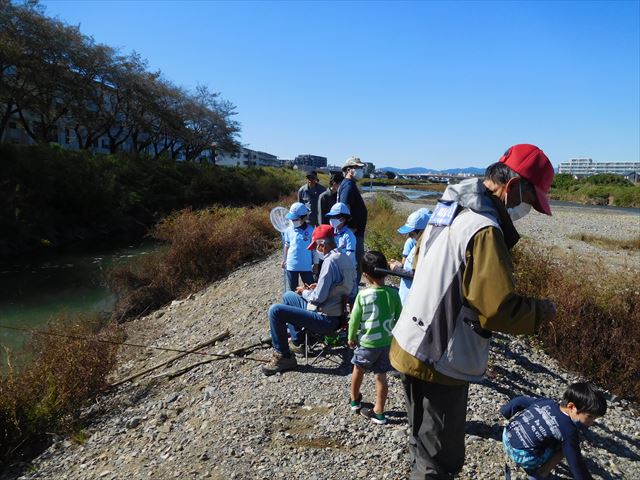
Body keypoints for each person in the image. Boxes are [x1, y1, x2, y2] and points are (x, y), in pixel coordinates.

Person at [390, 144, 558, 479]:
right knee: (440, 458)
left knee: (419, 439)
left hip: (408, 341)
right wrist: (542, 311)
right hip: (439, 356)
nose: (528, 209)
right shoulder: (484, 229)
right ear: (511, 187)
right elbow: (496, 310)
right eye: (530, 200)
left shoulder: (449, 211)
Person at [262, 225, 356, 376]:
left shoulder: (329, 262)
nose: (315, 250)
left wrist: (305, 291)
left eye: (316, 247)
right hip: (339, 315)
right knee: (288, 296)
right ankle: (298, 341)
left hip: (325, 319)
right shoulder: (344, 257)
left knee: (275, 311)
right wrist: (318, 285)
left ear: (322, 244)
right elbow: (344, 288)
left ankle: (284, 357)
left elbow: (318, 298)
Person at [501, 382, 607, 480]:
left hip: (507, 436)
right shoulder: (569, 431)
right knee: (563, 447)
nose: (591, 422)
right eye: (589, 417)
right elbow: (575, 462)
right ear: (571, 407)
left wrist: (505, 411)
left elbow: (520, 401)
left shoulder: (547, 402)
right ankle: (540, 474)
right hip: (522, 456)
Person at [348, 251, 402, 426]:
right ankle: (379, 412)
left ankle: (355, 400)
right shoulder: (394, 294)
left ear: (365, 275)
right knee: (381, 376)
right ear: (386, 271)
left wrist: (350, 338)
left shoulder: (362, 296)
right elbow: (399, 318)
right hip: (386, 343)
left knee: (358, 369)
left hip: (366, 343)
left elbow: (354, 320)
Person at [389, 208, 432, 305]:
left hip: (412, 299)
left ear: (422, 231)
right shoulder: (417, 244)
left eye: (412, 233)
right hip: (406, 295)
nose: (410, 236)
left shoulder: (425, 248)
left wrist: (396, 269)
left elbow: (415, 274)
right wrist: (400, 265)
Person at [339, 156, 368, 282]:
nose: (361, 170)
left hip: (355, 232)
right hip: (354, 233)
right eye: (358, 168)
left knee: (355, 265)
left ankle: (351, 292)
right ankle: (351, 294)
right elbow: (343, 208)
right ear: (349, 169)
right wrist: (351, 227)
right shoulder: (348, 186)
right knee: (355, 266)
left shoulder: (349, 184)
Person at [282, 202, 317, 291]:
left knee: (310, 289)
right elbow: (287, 245)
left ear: (304, 217)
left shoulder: (311, 230)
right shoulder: (289, 230)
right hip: (291, 266)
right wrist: (284, 260)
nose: (293, 221)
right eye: (292, 219)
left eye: (295, 219)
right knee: (294, 290)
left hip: (306, 266)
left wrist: (316, 264)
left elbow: (314, 249)